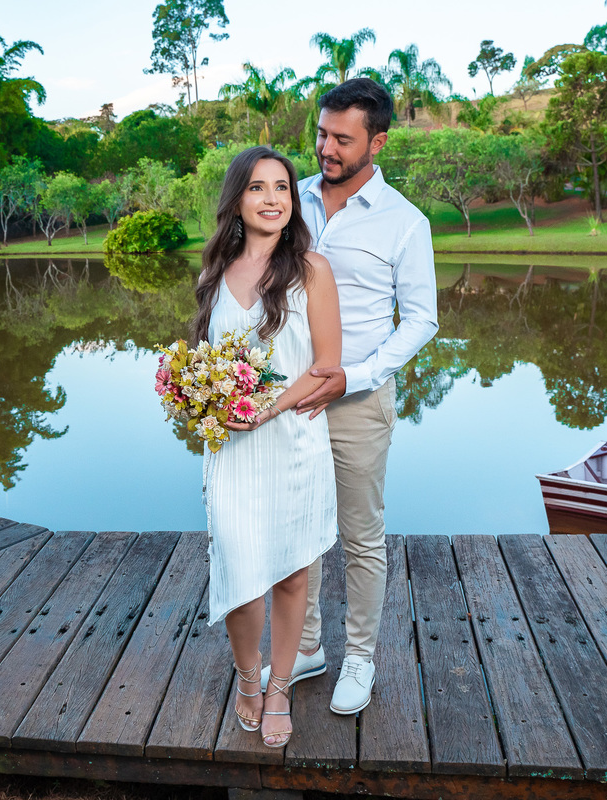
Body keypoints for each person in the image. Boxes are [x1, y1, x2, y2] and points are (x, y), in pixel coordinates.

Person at [261, 78, 438, 715]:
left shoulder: (404, 222)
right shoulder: (290, 201)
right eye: (321, 134)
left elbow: (421, 320)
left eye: (342, 138)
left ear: (377, 141)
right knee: (296, 533)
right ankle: (305, 648)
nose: (325, 148)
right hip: (289, 397)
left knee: (361, 538)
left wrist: (357, 375)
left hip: (358, 402)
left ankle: (359, 658)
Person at [194, 145, 342, 748]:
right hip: (230, 451)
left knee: (290, 572)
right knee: (239, 570)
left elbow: (328, 367)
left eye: (282, 186)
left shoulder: (312, 270)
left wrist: (268, 407)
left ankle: (280, 684)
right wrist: (199, 400)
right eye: (258, 187)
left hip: (293, 443)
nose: (273, 198)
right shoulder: (212, 274)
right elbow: (204, 364)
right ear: (237, 199)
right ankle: (247, 677)